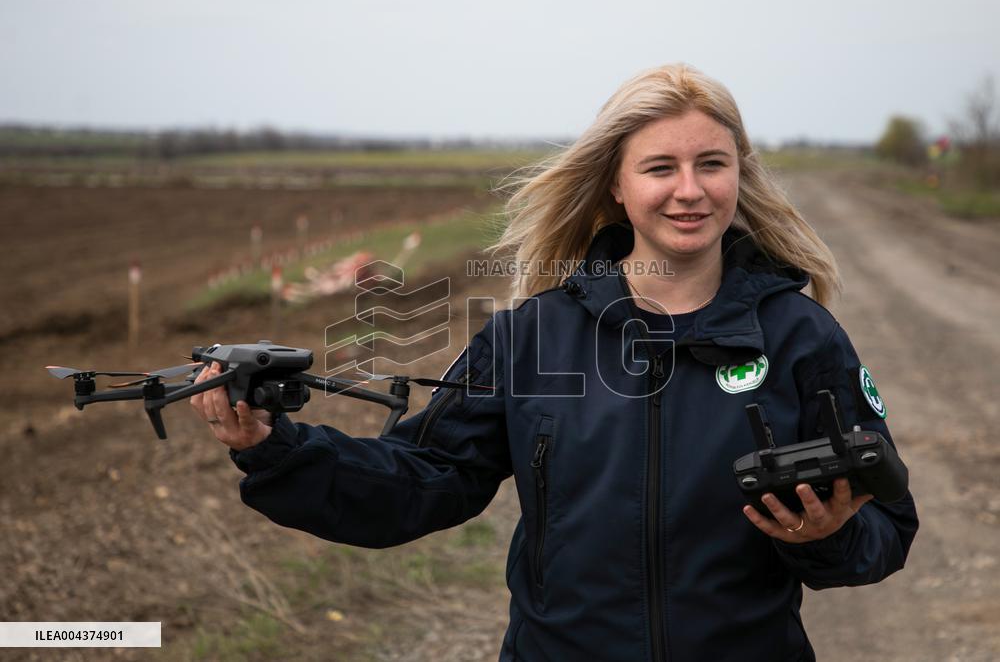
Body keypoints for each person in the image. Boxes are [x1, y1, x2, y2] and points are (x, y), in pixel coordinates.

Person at [191, 64, 918, 661]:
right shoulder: (533, 336)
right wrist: (273, 447)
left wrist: (829, 538)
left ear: (738, 176)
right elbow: (422, 481)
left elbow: (886, 524)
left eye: (711, 165)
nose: (689, 190)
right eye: (660, 167)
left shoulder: (799, 335)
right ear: (616, 185)